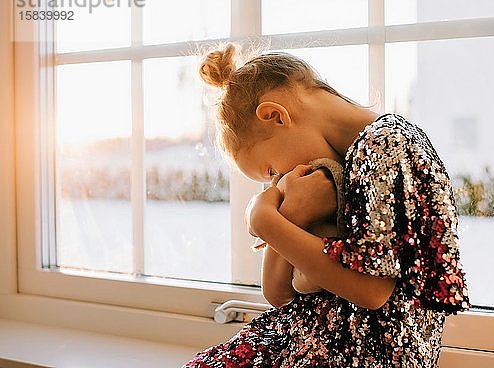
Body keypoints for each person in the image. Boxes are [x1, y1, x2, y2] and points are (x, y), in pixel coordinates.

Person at [182, 43, 470, 368]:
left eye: (271, 171)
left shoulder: (389, 150)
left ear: (275, 115)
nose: (278, 183)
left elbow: (372, 290)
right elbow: (276, 294)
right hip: (310, 335)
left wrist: (265, 221)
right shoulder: (333, 167)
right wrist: (290, 213)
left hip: (367, 355)